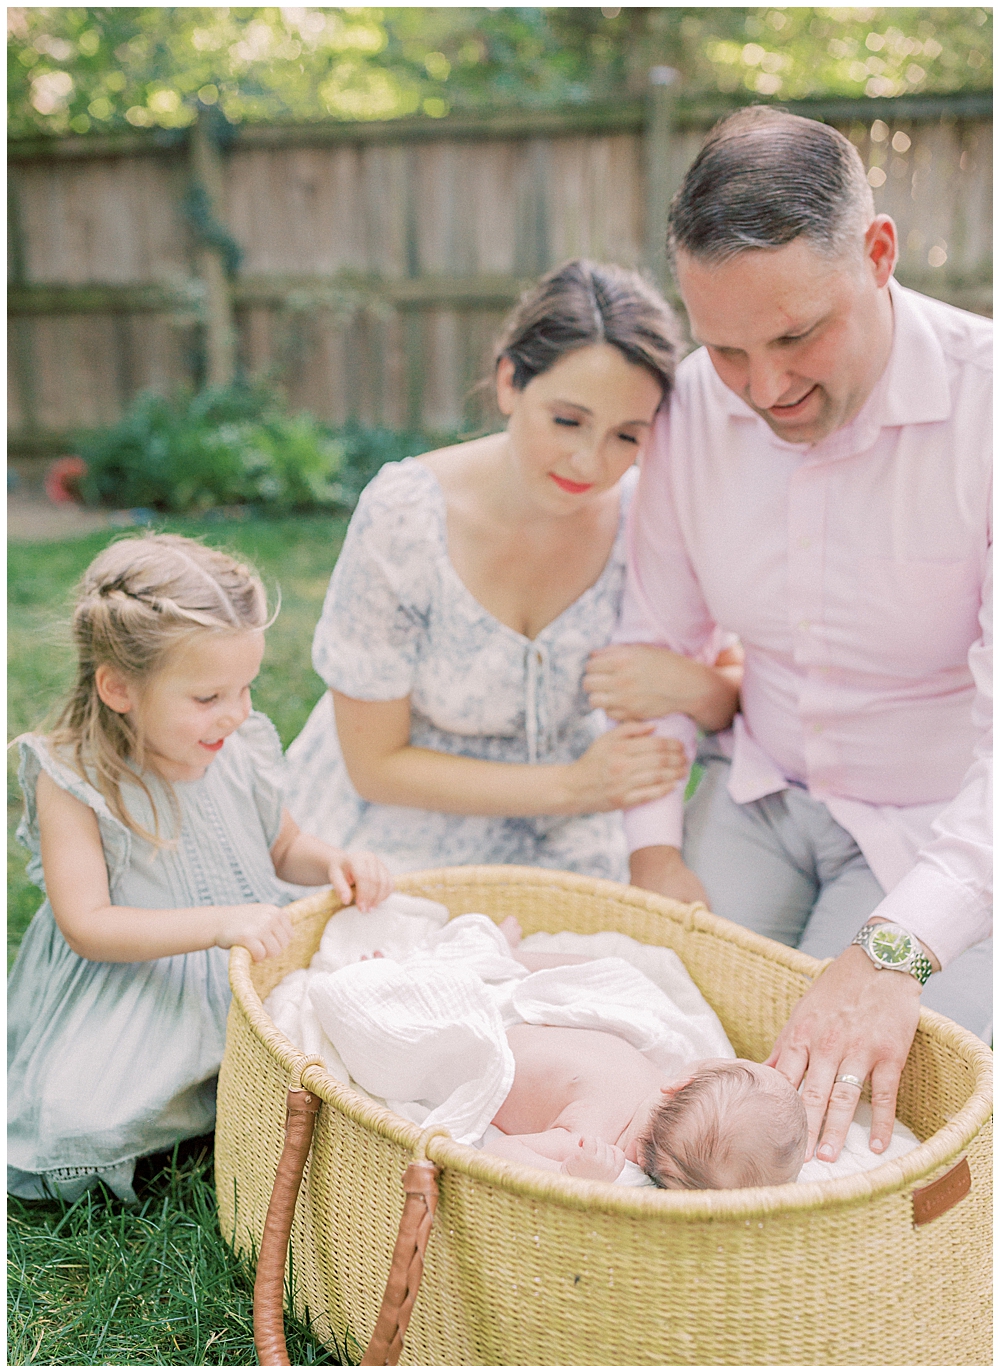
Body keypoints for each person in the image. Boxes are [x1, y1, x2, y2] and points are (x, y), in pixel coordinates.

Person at [587, 106, 991, 1165]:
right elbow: (654, 645)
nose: (764, 391)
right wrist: (652, 848)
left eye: (796, 335)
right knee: (650, 1040)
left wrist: (895, 947)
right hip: (760, 794)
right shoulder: (687, 408)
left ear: (879, 253)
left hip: (935, 829)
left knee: (827, 1122)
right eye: (726, 349)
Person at [285, 260, 740, 881]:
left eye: (626, 437)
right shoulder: (404, 518)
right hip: (394, 835)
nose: (590, 462)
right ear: (508, 382)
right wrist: (573, 787)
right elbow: (375, 764)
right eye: (567, 421)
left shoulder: (650, 520)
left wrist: (695, 686)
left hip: (573, 846)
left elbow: (735, 695)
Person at [7, 534, 392, 1203]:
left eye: (245, 687)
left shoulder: (236, 746)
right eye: (209, 695)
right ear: (119, 687)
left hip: (245, 961)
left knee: (350, 1037)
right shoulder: (75, 777)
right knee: (85, 1118)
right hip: (134, 984)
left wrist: (334, 860)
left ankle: (228, 1090)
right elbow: (88, 925)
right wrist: (219, 922)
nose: (237, 712)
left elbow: (283, 846)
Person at [484, 1033, 808, 1190]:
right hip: (506, 1032)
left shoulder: (594, 1136)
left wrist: (566, 1175)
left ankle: (501, 950)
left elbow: (497, 1152)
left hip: (492, 1048)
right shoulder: (647, 1088)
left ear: (679, 1086)